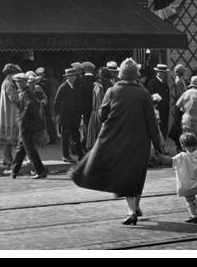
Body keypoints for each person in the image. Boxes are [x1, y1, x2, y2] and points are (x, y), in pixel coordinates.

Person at [71, 58, 163, 225]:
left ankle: (131, 211)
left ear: (121, 75)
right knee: (137, 175)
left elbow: (102, 115)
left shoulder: (112, 91)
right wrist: (158, 146)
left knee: (125, 174)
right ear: (136, 75)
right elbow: (152, 122)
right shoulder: (143, 93)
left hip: (117, 139)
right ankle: (135, 207)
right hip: (140, 141)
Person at [9, 73, 48, 179]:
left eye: (19, 82)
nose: (17, 84)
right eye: (17, 82)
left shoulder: (27, 93)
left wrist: (22, 119)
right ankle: (14, 171)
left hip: (27, 125)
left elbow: (29, 106)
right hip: (26, 124)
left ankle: (40, 171)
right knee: (20, 149)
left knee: (30, 150)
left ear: (24, 82)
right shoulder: (23, 92)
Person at [0, 63, 23, 170]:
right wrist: (22, 92)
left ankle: (8, 159)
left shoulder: (6, 83)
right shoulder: (9, 84)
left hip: (7, 113)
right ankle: (8, 160)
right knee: (9, 139)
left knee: (7, 139)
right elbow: (14, 98)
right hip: (10, 115)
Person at [54, 65, 83, 162]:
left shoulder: (76, 86)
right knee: (65, 136)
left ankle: (80, 155)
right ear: (67, 77)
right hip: (65, 116)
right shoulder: (63, 87)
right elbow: (56, 101)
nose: (73, 78)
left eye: (74, 76)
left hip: (75, 116)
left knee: (76, 135)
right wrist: (58, 114)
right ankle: (65, 155)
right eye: (70, 76)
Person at [87, 62, 115, 148]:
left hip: (100, 112)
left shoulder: (98, 86)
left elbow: (100, 102)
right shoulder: (104, 86)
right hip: (105, 112)